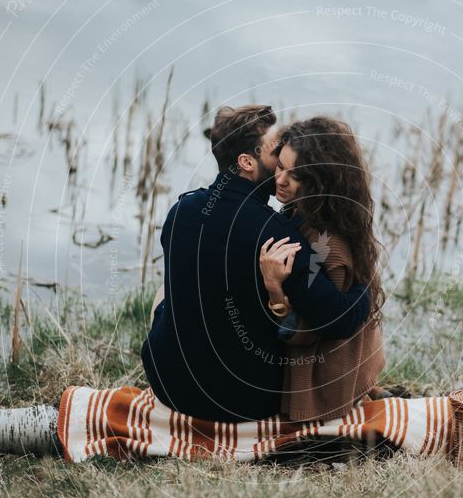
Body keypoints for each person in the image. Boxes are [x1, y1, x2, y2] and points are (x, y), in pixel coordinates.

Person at [141, 105, 372, 422]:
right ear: (247, 162)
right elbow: (339, 320)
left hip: (167, 384)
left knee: (167, 296)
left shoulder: (181, 210)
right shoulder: (277, 237)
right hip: (241, 401)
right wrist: (365, 284)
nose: (280, 159)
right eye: (275, 151)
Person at [258, 116, 389, 422]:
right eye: (280, 166)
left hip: (324, 382)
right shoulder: (313, 216)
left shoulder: (326, 245)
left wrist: (274, 287)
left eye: (297, 175)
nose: (281, 180)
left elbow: (317, 328)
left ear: (321, 181)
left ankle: (358, 395)